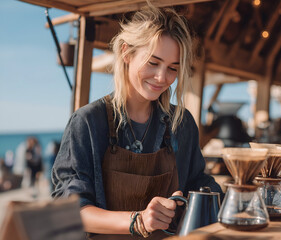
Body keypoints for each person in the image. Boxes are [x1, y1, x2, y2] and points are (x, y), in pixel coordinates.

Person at [52, 4, 223, 239]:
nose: (162, 78)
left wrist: (236, 194)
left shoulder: (181, 124)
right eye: (153, 63)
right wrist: (138, 220)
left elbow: (198, 183)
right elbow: (69, 211)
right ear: (126, 52)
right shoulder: (88, 123)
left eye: (173, 68)